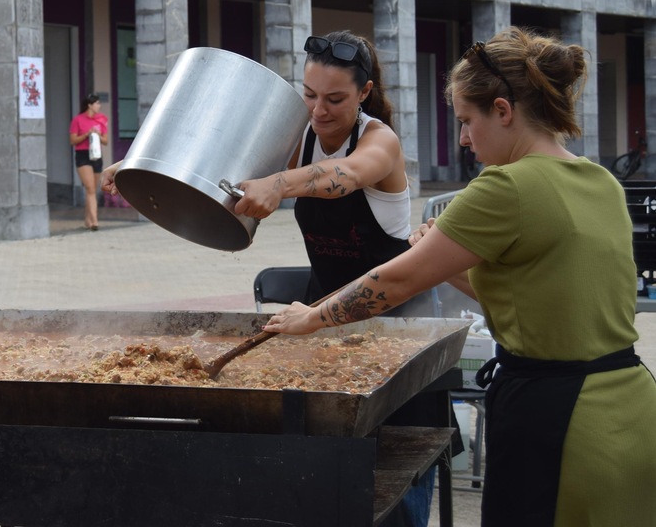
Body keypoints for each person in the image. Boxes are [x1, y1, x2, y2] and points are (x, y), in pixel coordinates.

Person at [264, 27, 656, 526]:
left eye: (467, 121)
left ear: (503, 110)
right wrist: (446, 261)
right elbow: (530, 294)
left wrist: (313, 318)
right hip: (631, 412)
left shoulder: (504, 185)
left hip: (559, 421)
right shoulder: (600, 181)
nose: (464, 139)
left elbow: (396, 282)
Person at [231, 31, 444, 526]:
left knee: (395, 474)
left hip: (396, 325)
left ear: (364, 92)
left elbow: (345, 176)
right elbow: (231, 160)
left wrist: (279, 183)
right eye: (309, 95)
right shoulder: (300, 136)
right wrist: (142, 167)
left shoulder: (380, 141)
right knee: (324, 470)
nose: (318, 110)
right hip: (322, 319)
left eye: (334, 99)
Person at [69, 93, 108, 231]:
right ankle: (95, 221)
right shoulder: (78, 120)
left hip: (96, 154)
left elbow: (106, 141)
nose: (99, 106)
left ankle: (88, 219)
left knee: (92, 190)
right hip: (83, 154)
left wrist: (97, 134)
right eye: (97, 103)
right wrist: (86, 134)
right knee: (90, 188)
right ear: (89, 105)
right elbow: (73, 140)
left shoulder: (102, 119)